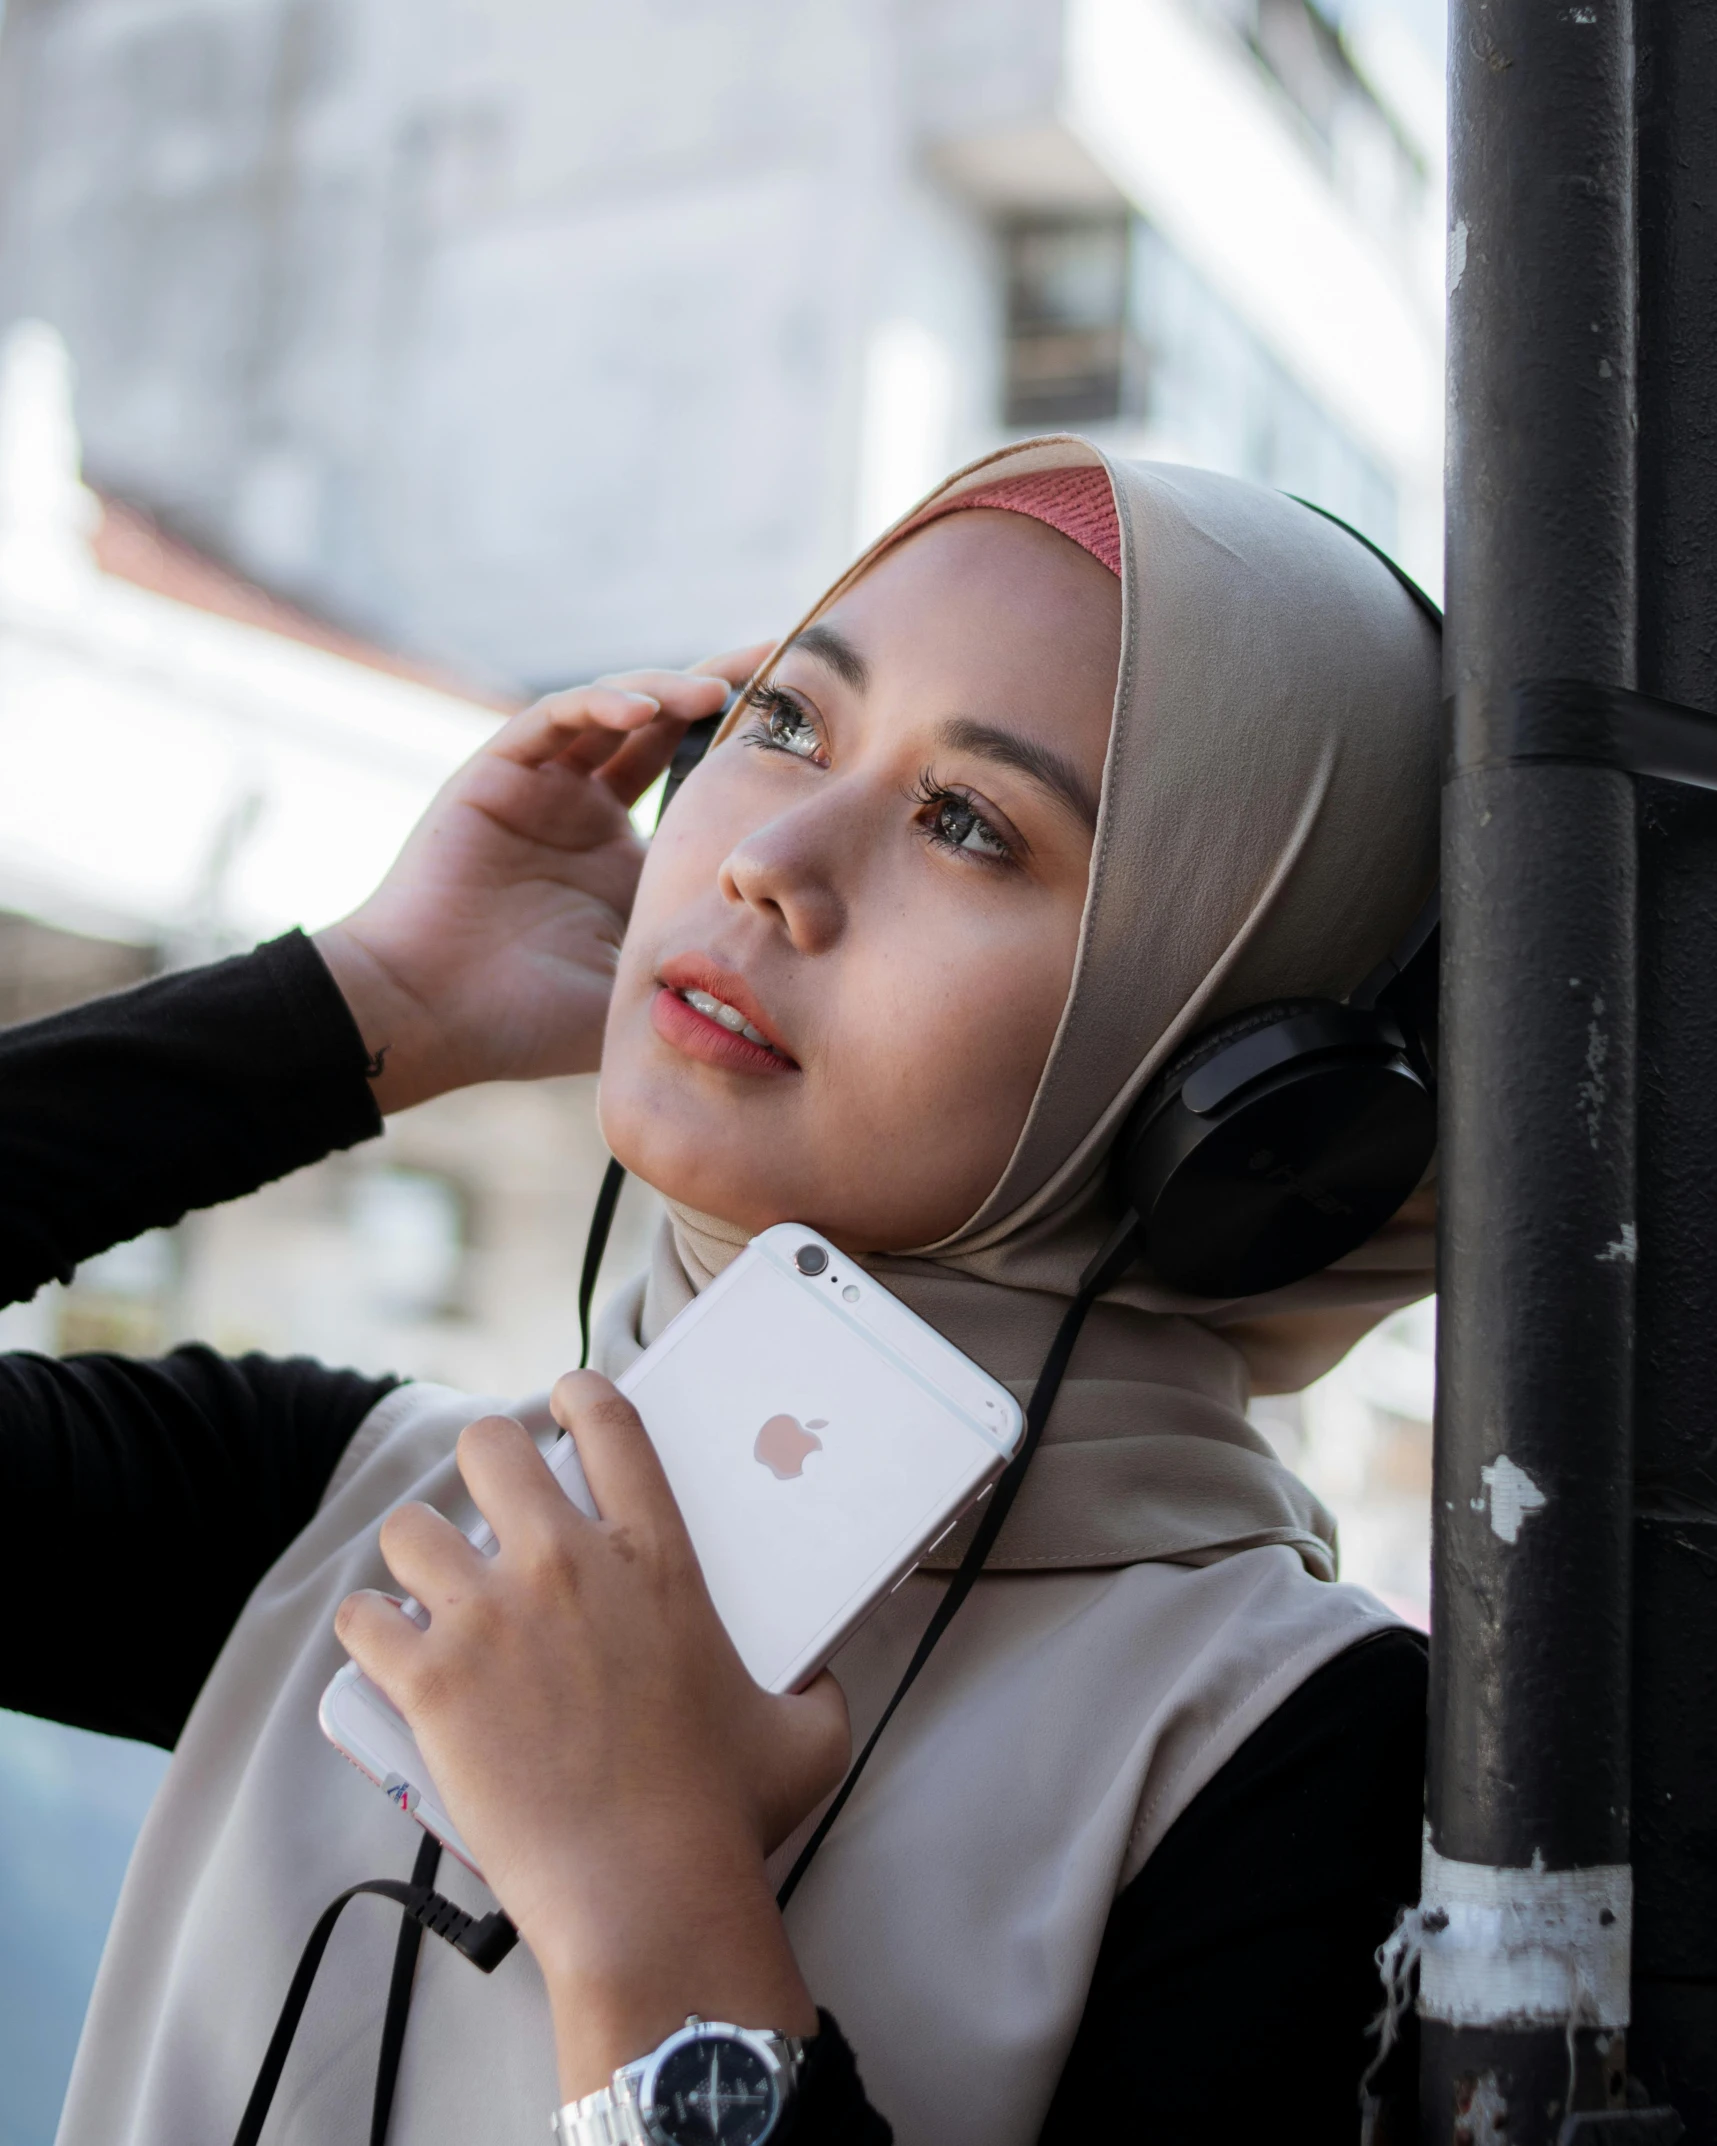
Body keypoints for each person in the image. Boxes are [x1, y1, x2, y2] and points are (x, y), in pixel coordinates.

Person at [1, 439, 1438, 2145]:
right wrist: (363, 1002)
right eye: (783, 724)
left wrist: (647, 1915)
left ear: (1231, 1079)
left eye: (970, 822)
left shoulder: (1287, 1748)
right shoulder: (370, 1516)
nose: (771, 855)